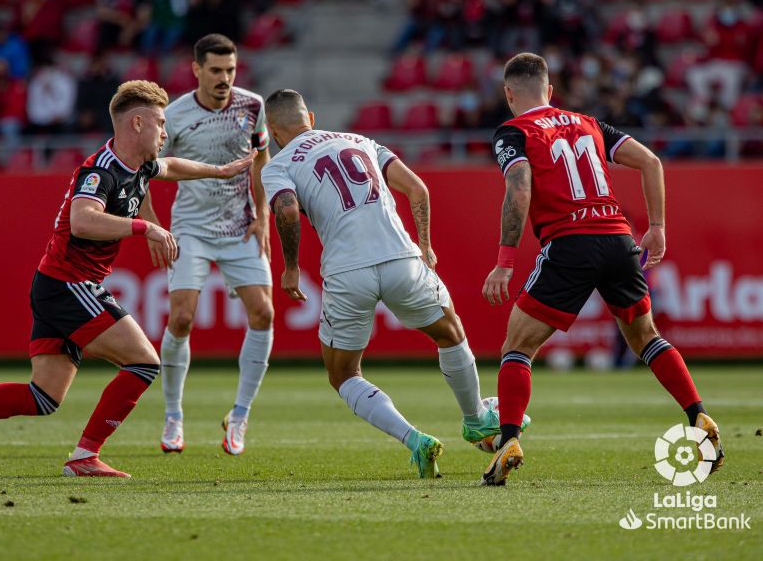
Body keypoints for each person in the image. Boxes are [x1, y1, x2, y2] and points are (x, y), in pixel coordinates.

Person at [0, 80, 254, 478]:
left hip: (54, 284)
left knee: (43, 396)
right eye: (161, 123)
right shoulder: (100, 170)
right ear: (137, 123)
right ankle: (84, 456)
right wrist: (146, 228)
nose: (166, 132)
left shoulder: (140, 164)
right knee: (144, 362)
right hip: (69, 284)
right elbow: (83, 220)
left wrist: (219, 170)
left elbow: (172, 167)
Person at [480, 53, 725, 486]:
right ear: (550, 91)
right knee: (647, 337)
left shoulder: (513, 132)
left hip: (569, 243)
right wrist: (659, 228)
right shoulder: (589, 122)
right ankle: (699, 417)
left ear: (508, 94)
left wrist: (504, 261)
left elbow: (519, 189)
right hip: (618, 240)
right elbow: (651, 161)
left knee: (517, 347)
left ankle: (509, 441)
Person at [261, 89, 523, 478]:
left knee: (344, 375)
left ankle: (415, 440)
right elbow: (418, 188)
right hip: (402, 258)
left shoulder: (277, 164)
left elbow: (286, 209)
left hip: (347, 271)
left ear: (272, 130)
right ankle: (474, 419)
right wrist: (426, 246)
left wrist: (291, 267)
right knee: (450, 333)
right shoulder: (361, 141)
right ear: (311, 118)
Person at [142, 34, 273, 456]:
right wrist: (150, 225)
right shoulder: (174, 116)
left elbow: (261, 161)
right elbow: (143, 171)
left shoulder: (252, 106)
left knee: (264, 313)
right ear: (196, 69)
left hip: (240, 227)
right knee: (181, 318)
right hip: (191, 230)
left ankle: (240, 415)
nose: (224, 79)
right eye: (215, 70)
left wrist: (263, 217)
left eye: (230, 70)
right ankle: (173, 416)